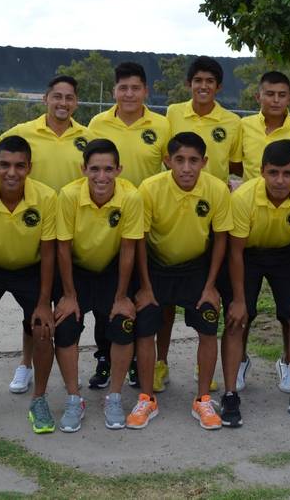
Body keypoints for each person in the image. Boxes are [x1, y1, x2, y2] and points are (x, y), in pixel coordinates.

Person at [0, 74, 90, 394]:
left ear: (76, 102)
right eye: (57, 96)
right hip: (34, 233)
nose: (63, 103)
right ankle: (25, 364)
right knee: (34, 308)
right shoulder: (22, 132)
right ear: (46, 99)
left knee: (62, 307)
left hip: (72, 234)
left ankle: (67, 366)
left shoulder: (87, 136)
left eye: (69, 98)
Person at [220, 139, 290, 427]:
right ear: (262, 171)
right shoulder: (243, 198)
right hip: (248, 254)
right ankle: (230, 394)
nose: (280, 180)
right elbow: (235, 252)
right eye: (273, 173)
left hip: (286, 254)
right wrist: (238, 300)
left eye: (287, 173)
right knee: (236, 319)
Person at [134, 132, 232, 430]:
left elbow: (221, 239)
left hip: (196, 269)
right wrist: (145, 286)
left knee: (208, 325)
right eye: (179, 160)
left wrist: (211, 285)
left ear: (204, 162)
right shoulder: (150, 188)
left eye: (193, 160)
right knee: (146, 326)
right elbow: (139, 239)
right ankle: (146, 398)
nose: (186, 168)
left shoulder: (216, 189)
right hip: (157, 266)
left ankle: (203, 399)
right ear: (167, 161)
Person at [0, 135, 60, 434]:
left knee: (42, 330)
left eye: (20, 166)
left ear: (30, 167)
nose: (12, 172)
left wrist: (44, 303)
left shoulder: (46, 198)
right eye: (4, 165)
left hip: (30, 269)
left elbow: (48, 253)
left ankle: (39, 399)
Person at [52, 139, 147, 432]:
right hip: (77, 270)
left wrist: (121, 296)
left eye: (108, 169)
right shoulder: (68, 195)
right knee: (65, 327)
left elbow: (129, 249)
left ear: (119, 169)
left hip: (111, 270)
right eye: (94, 169)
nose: (101, 176)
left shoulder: (131, 197)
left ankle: (114, 397)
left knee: (122, 325)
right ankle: (73, 399)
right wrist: (69, 295)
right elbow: (62, 247)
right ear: (83, 169)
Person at [160, 56, 242, 392]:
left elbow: (235, 165)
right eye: (198, 81)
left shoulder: (232, 121)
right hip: (176, 206)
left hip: (212, 210)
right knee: (164, 300)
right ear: (189, 84)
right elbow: (167, 155)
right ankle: (160, 363)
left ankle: (202, 365)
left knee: (208, 294)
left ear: (218, 86)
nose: (203, 86)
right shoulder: (173, 113)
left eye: (210, 81)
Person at [86, 62, 169, 389]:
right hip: (107, 224)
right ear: (114, 91)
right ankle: (105, 358)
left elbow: (171, 169)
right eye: (123, 88)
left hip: (145, 225)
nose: (129, 94)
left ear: (146, 91)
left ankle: (136, 360)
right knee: (104, 300)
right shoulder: (98, 123)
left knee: (141, 297)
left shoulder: (161, 125)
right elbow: (92, 167)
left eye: (136, 88)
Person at [237, 71, 290, 393]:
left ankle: (288, 362)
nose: (275, 99)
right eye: (269, 93)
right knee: (242, 309)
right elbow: (234, 166)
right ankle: (239, 360)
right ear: (258, 96)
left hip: (287, 224)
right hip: (250, 221)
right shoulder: (243, 127)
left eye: (282, 94)